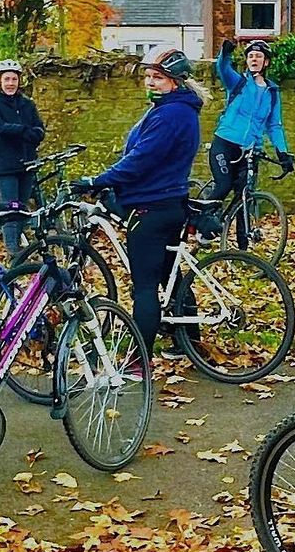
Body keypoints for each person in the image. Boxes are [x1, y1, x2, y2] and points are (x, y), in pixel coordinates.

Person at [74, 47, 204, 359]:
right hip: (170, 203)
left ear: (174, 81)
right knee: (168, 275)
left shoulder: (170, 115)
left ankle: (138, 359)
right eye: (147, 76)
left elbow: (140, 160)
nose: (150, 82)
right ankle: (189, 343)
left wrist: (98, 180)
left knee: (145, 288)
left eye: (157, 77)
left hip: (151, 209)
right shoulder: (175, 109)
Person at [208, 39, 294, 245]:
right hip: (225, 143)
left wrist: (282, 153)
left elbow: (274, 126)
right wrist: (225, 53)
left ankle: (243, 248)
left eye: (258, 56)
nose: (254, 59)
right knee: (224, 185)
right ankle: (201, 221)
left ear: (266, 62)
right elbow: (222, 68)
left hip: (250, 150)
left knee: (243, 197)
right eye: (250, 56)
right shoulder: (238, 83)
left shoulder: (272, 93)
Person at [0, 60, 45, 252]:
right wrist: (24, 131)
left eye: (14, 79)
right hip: (6, 164)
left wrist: (28, 133)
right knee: (10, 209)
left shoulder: (27, 104)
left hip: (27, 163)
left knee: (22, 209)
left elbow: (40, 130)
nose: (11, 83)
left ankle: (20, 249)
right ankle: (13, 251)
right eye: (7, 79)